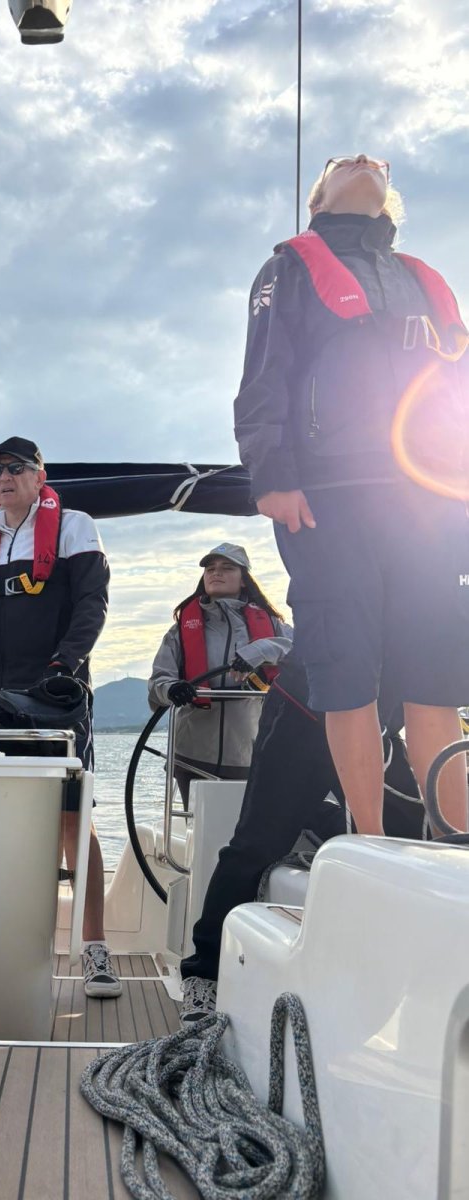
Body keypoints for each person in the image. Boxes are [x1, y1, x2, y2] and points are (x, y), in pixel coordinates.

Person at [234, 153, 469, 837]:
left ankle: (455, 845)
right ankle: (371, 840)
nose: (366, 161)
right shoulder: (287, 270)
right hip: (329, 502)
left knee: (436, 681)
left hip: (429, 507)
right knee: (347, 677)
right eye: (343, 161)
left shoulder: (422, 280)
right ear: (317, 199)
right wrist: (272, 477)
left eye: (377, 164)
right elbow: (263, 376)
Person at [0, 435, 121, 998]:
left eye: (16, 468)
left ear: (40, 476)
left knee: (72, 818)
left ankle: (94, 948)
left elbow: (92, 603)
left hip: (54, 695)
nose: (4, 478)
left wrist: (64, 665)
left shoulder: (75, 526)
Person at [178, 654, 426, 1019]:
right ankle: (204, 973)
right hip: (300, 715)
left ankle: (416, 982)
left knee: (417, 843)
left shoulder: (445, 626)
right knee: (256, 845)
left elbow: (432, 711)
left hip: (377, 729)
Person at [147, 543, 292, 806]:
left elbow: (305, 650)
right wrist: (172, 689)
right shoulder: (180, 630)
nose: (216, 572)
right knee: (198, 825)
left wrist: (260, 649)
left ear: (244, 579)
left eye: (227, 568)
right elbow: (158, 681)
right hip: (191, 754)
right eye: (210, 568)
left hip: (251, 752)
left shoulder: (272, 625)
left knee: (245, 826)